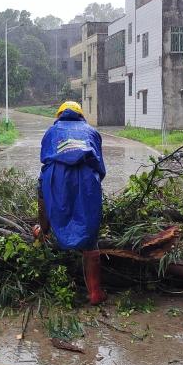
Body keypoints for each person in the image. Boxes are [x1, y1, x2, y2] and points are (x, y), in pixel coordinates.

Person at [35, 101, 107, 305]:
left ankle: (44, 230)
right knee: (90, 229)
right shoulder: (92, 132)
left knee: (42, 192)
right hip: (86, 177)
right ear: (81, 116)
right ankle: (95, 293)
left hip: (56, 175)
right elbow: (100, 168)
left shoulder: (51, 131)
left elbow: (45, 159)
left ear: (59, 116)